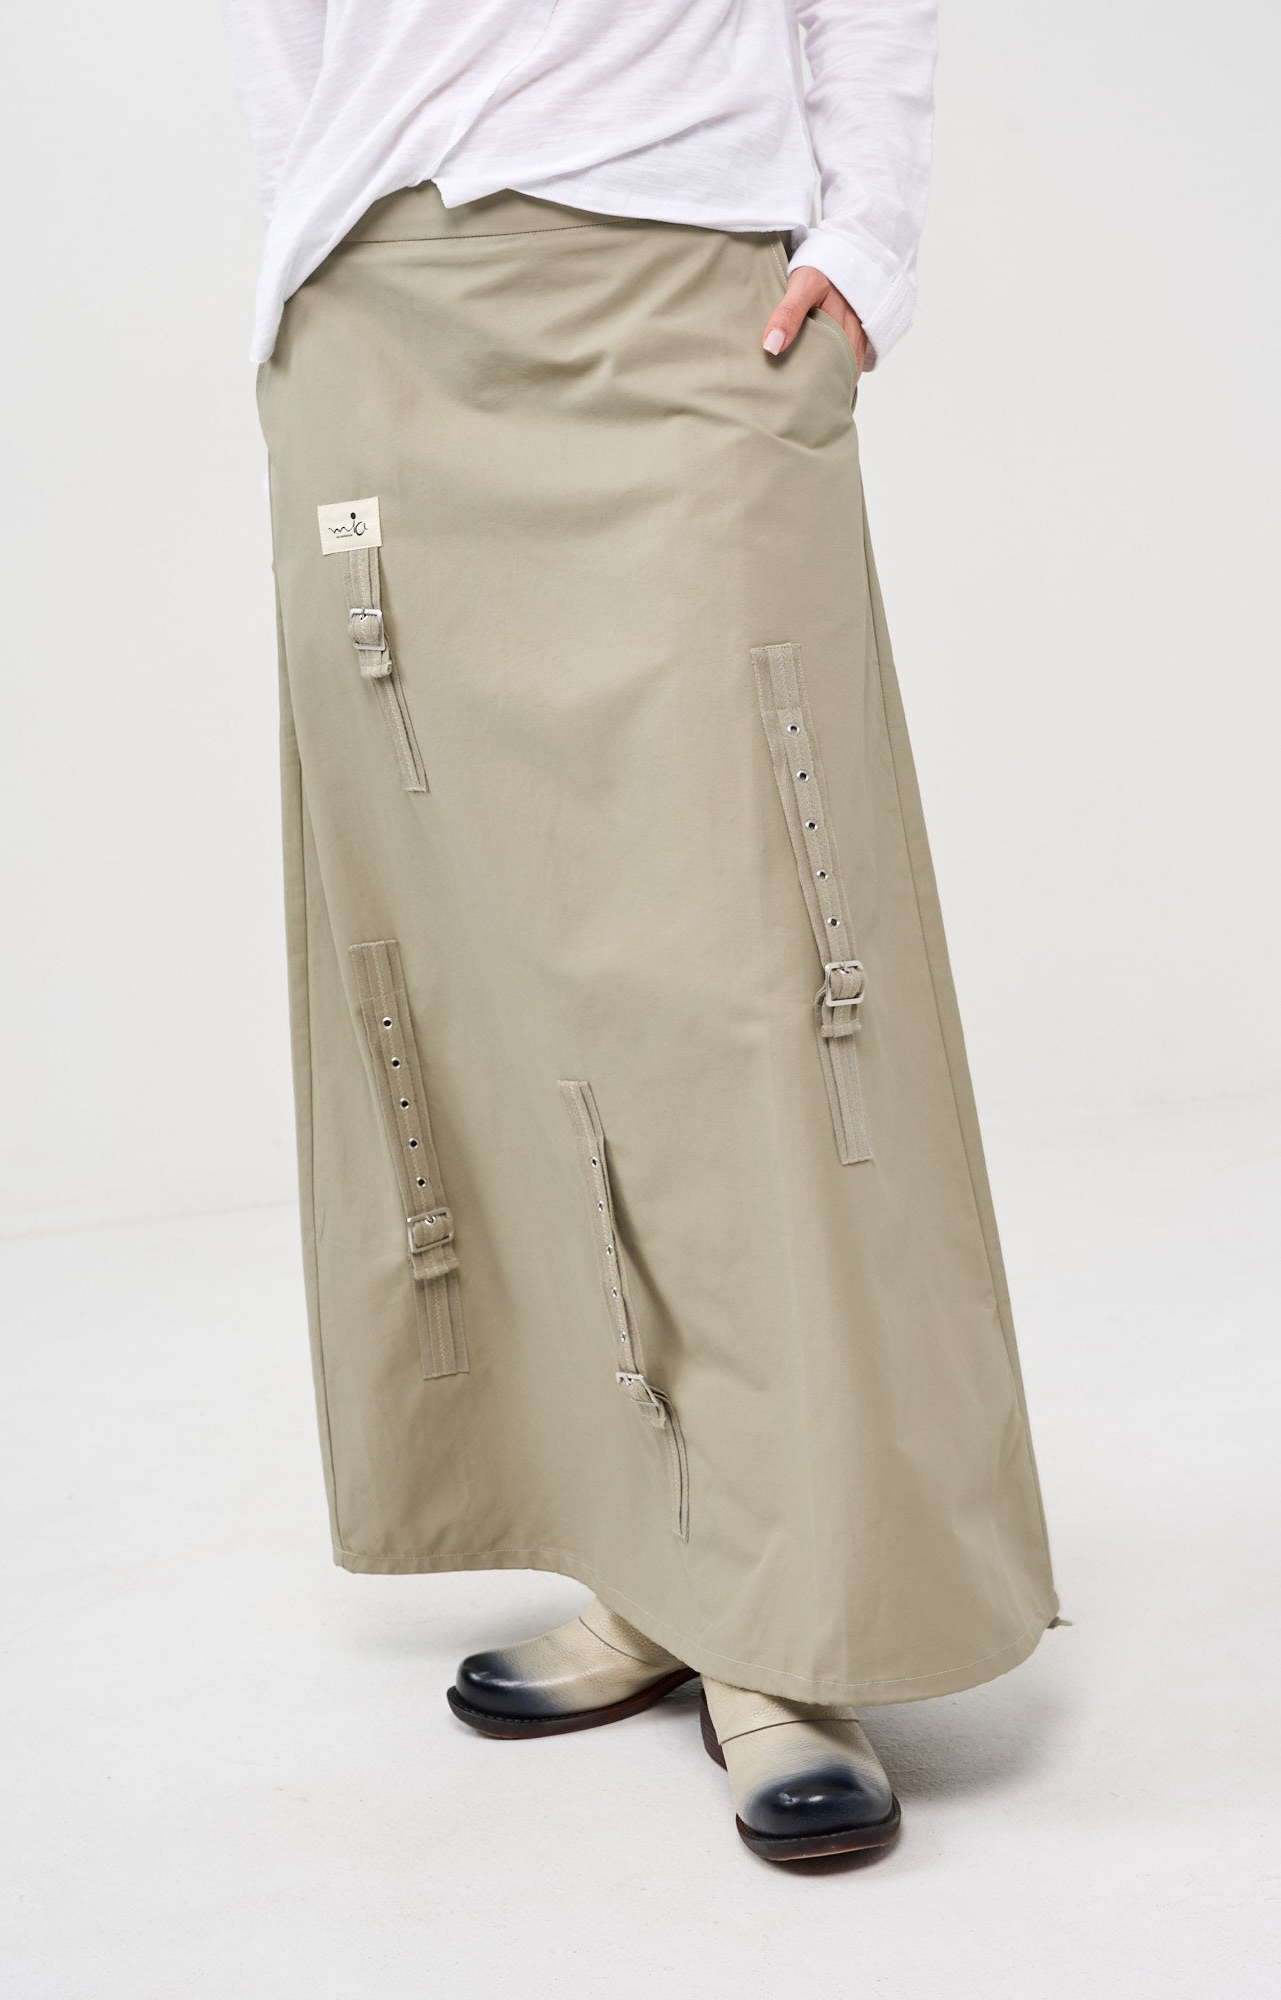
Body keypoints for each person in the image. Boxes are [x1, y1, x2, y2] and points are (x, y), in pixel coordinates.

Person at [222, 0, 1058, 1865]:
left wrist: (866, 241)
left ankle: (790, 1613)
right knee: (489, 975)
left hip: (684, 300)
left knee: (755, 975)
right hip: (378, 320)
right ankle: (654, 1559)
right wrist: (308, 251)